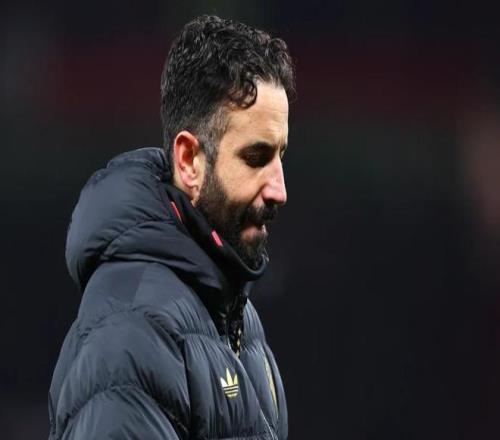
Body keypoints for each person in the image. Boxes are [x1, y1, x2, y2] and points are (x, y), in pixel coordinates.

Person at [48, 15, 295, 440]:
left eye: (281, 156)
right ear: (188, 161)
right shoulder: (131, 332)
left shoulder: (236, 317)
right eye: (256, 158)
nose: (280, 190)